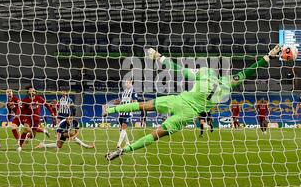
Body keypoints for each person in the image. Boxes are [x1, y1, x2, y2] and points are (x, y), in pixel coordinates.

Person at [103, 45, 281, 161]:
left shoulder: (205, 72)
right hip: (188, 114)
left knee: (144, 105)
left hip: (179, 101)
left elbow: (178, 70)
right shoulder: (228, 83)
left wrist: (159, 56)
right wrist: (269, 56)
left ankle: (112, 110)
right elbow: (249, 71)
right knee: (155, 134)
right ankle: (124, 151)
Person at [17, 86, 56, 151]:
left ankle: (28, 137)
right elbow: (22, 109)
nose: (32, 91)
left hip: (36, 118)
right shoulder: (25, 100)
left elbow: (46, 105)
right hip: (28, 117)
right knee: (26, 129)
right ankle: (20, 146)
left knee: (33, 135)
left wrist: (52, 113)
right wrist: (22, 117)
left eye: (33, 90)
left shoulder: (39, 98)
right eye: (31, 90)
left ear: (35, 92)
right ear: (28, 92)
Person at [114, 79, 138, 149]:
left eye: (127, 83)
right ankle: (127, 143)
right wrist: (118, 102)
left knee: (123, 128)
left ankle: (119, 144)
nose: (126, 84)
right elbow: (122, 101)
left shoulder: (133, 91)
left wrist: (131, 108)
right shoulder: (124, 92)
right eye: (125, 83)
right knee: (121, 129)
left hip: (128, 111)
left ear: (131, 84)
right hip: (122, 112)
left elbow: (135, 102)